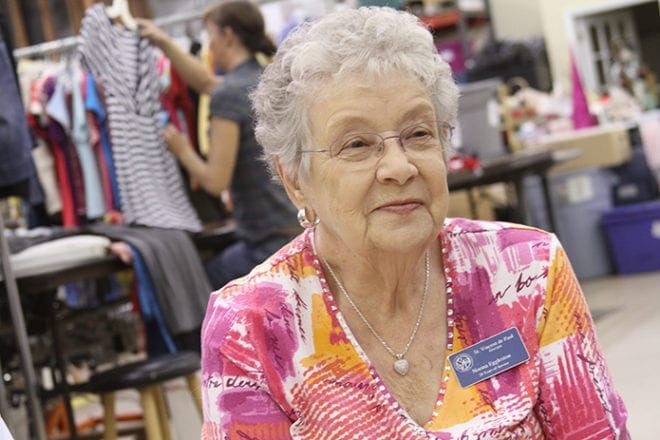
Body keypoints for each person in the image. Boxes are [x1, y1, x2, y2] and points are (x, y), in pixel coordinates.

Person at [200, 6, 629, 439]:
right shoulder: (252, 327)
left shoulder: (526, 271)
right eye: (357, 144)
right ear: (295, 180)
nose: (399, 166)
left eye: (419, 134)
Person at [137, 1, 299, 290]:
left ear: (228, 35)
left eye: (210, 36)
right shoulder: (263, 79)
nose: (209, 46)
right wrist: (162, 41)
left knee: (198, 286)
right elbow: (206, 84)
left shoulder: (229, 95)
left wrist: (181, 149)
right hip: (295, 230)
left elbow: (215, 180)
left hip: (266, 245)